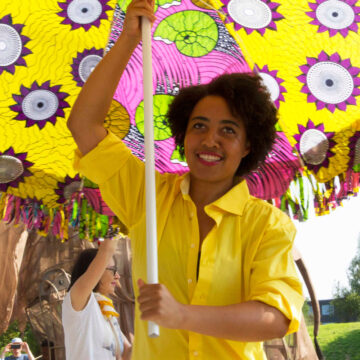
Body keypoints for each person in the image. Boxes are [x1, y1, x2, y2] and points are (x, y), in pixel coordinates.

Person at [66, 0, 304, 358]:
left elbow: (275, 318)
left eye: (228, 130)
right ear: (183, 136)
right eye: (199, 127)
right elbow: (84, 125)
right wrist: (129, 39)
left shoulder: (268, 225)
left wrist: (182, 315)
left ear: (247, 145)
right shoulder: (147, 195)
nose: (210, 140)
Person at [61, 236, 131, 360]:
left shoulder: (107, 311)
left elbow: (127, 351)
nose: (117, 276)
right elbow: (106, 251)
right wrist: (112, 222)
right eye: (113, 270)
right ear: (94, 270)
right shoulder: (77, 298)